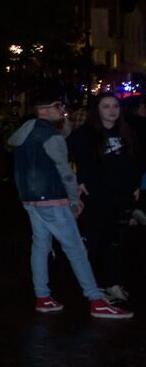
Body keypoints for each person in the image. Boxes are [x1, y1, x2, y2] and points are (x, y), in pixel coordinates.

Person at [9, 84, 132, 319]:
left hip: (30, 199)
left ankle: (42, 296)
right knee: (75, 249)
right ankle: (96, 300)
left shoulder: (25, 132)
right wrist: (74, 200)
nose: (61, 110)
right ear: (43, 110)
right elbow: (65, 170)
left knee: (41, 246)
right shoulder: (50, 135)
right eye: (57, 106)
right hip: (52, 199)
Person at [67, 92, 140, 300]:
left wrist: (134, 184)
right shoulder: (86, 133)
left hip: (122, 195)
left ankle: (113, 282)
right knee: (95, 241)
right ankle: (94, 285)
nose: (111, 110)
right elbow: (68, 152)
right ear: (97, 110)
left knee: (115, 242)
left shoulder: (128, 131)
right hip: (98, 195)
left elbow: (136, 159)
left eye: (115, 106)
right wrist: (79, 179)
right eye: (106, 106)